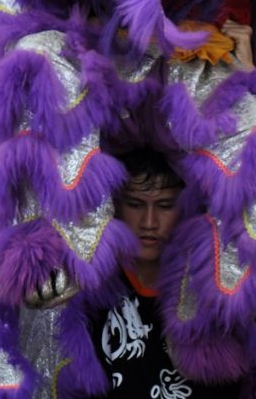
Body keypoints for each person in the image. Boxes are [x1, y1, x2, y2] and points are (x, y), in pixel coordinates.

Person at [93, 149, 241, 397]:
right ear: (115, 206)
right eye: (135, 204)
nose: (149, 222)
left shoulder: (215, 295)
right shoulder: (89, 296)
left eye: (164, 206)